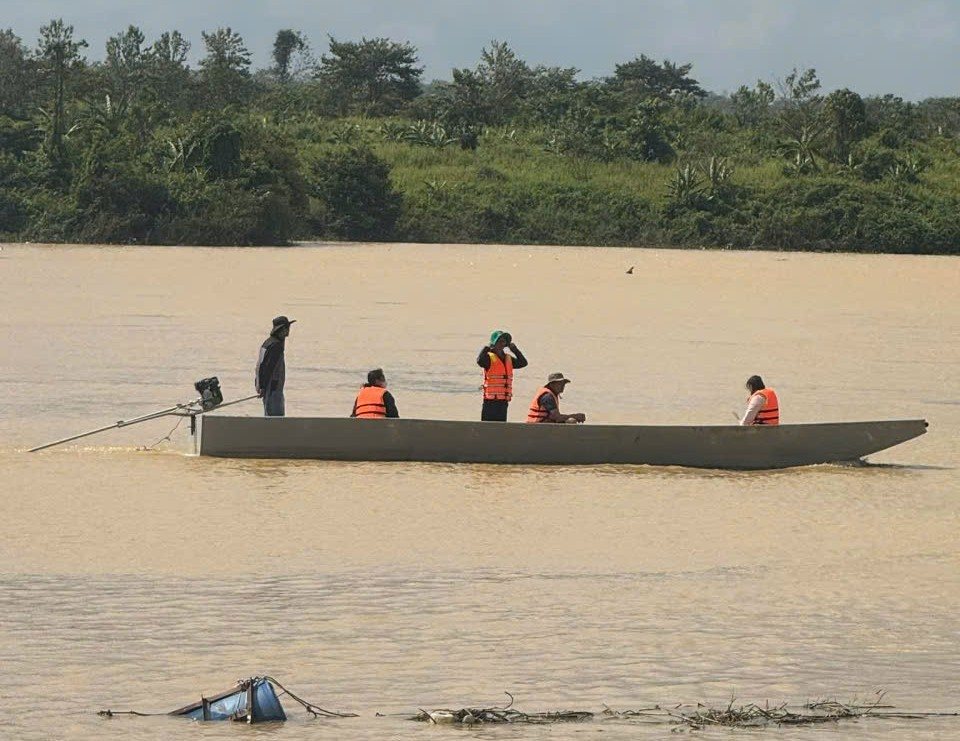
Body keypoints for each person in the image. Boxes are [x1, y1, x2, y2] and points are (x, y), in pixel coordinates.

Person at [477, 330, 528, 421]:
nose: (501, 344)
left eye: (503, 341)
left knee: (500, 427)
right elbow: (479, 361)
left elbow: (523, 363)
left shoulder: (508, 358)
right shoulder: (488, 357)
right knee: (487, 428)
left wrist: (515, 350)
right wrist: (487, 347)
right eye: (499, 341)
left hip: (503, 401)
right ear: (494, 343)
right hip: (490, 401)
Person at [255, 315, 295, 417]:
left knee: (269, 418)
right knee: (277, 419)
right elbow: (268, 367)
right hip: (274, 389)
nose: (289, 330)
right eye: (287, 327)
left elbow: (259, 366)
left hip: (269, 388)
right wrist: (264, 387)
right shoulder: (276, 346)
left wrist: (259, 384)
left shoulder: (268, 342)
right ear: (282, 329)